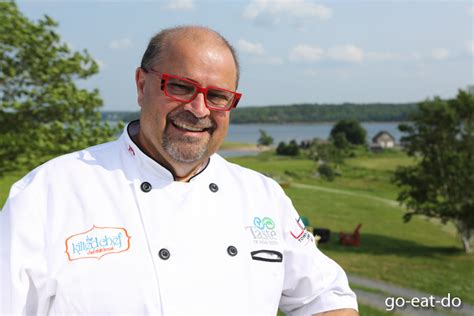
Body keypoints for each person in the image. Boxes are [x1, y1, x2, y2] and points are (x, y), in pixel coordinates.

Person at [0, 26, 358, 315]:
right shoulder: (49, 192)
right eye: (182, 87)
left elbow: (325, 297)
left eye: (218, 96)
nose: (199, 109)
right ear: (142, 85)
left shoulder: (262, 196)